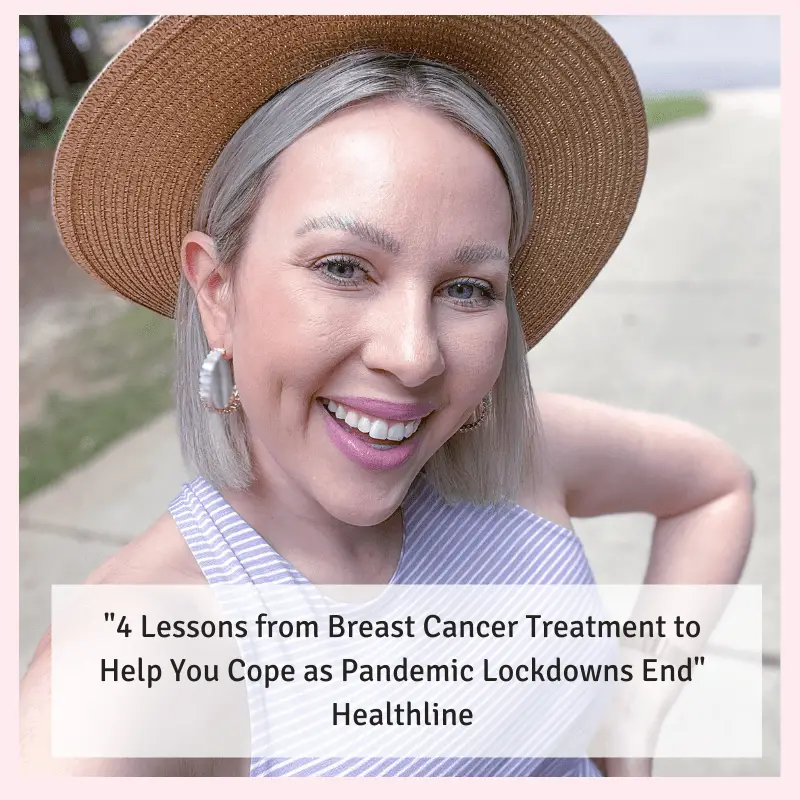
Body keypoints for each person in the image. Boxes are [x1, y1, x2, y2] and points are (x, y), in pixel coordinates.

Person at [21, 15, 754, 777]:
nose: (413, 356)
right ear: (216, 290)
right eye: (344, 267)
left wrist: (628, 725)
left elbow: (714, 488)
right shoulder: (129, 663)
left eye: (468, 287)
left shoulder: (518, 455)